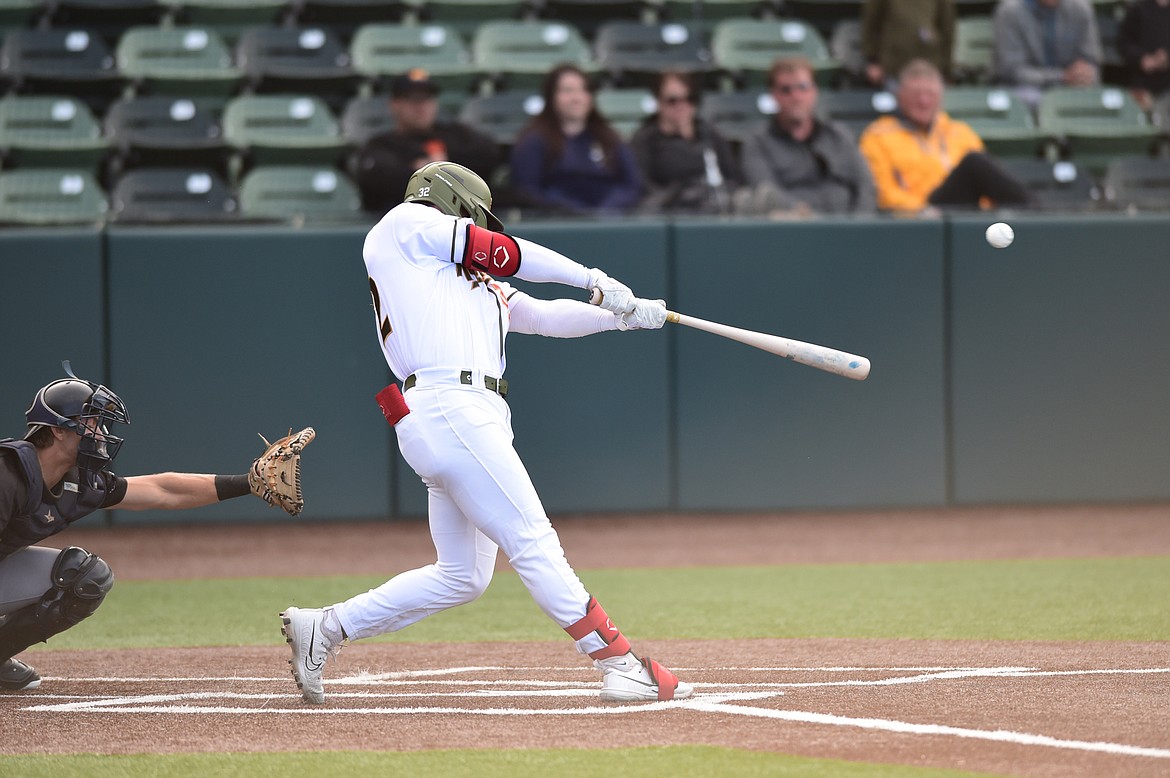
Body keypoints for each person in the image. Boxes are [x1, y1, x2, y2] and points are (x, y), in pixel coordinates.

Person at [279, 161, 691, 706]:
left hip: (462, 414)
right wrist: (593, 279)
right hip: (450, 404)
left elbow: (542, 316)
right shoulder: (405, 226)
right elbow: (510, 251)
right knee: (532, 539)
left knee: (463, 576)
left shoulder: (462, 280)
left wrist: (622, 315)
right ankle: (617, 662)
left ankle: (325, 628)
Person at [0, 363, 310, 692]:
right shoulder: (9, 476)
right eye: (91, 423)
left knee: (86, 577)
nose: (101, 434)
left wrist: (248, 482)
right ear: (58, 430)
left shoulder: (78, 482)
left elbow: (163, 491)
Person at [859, 59, 1032, 213]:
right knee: (973, 163)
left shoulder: (959, 132)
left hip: (969, 212)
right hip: (920, 215)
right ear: (901, 96)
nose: (924, 102)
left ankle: (1038, 215)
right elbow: (882, 192)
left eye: (930, 95)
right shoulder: (878, 136)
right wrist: (923, 210)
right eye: (916, 95)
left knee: (977, 163)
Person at [739, 57, 877, 216]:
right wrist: (813, 221)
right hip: (794, 231)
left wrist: (858, 224)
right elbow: (766, 194)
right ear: (773, 95)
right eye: (786, 90)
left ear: (814, 91)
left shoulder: (838, 135)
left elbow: (865, 185)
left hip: (850, 228)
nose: (796, 97)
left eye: (803, 87)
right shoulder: (758, 142)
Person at [353, 68, 502, 216]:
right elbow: (376, 178)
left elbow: (489, 154)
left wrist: (442, 166)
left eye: (427, 99)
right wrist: (424, 173)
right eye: (413, 99)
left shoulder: (453, 134)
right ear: (395, 104)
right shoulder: (382, 144)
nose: (421, 107)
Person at [508, 64, 642, 216]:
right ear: (551, 97)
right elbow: (528, 191)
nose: (576, 98)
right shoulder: (533, 142)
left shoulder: (610, 139)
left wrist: (605, 212)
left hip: (608, 223)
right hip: (558, 224)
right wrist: (573, 212)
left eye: (583, 90)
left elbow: (631, 186)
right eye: (567, 91)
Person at [629, 69, 743, 214]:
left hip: (713, 207)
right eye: (672, 101)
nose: (682, 106)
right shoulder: (644, 140)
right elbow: (643, 188)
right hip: (670, 212)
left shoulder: (709, 135)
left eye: (690, 99)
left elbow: (732, 178)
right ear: (659, 102)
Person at [992, 0, 1102, 107]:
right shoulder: (1009, 11)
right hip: (1024, 87)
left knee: (1104, 101)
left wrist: (1083, 73)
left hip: (1071, 86)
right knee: (1033, 99)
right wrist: (1061, 76)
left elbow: (1090, 59)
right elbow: (1012, 70)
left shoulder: (1080, 7)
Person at [861, 0, 956, 89]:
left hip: (929, 65)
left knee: (926, 103)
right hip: (893, 66)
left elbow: (947, 29)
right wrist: (873, 61)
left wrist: (946, 69)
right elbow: (871, 24)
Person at [1116, 0, 1170, 112]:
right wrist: (1142, 58)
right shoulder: (1138, 9)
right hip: (1142, 83)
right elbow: (1123, 43)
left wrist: (1166, 58)